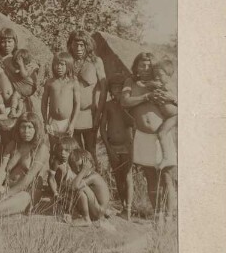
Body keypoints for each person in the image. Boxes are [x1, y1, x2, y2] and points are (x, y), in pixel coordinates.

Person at [121, 52, 177, 219]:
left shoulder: (159, 82)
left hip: (162, 137)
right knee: (150, 178)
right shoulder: (130, 82)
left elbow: (175, 101)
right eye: (141, 65)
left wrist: (170, 97)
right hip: (143, 136)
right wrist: (146, 96)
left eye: (148, 65)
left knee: (166, 177)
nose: (145, 69)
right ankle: (157, 214)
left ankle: (169, 215)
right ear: (136, 66)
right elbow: (124, 102)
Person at [67, 30, 107, 157]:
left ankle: (94, 175)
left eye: (82, 45)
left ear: (87, 46)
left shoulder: (96, 62)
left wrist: (98, 114)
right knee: (75, 152)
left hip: (90, 114)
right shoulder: (67, 61)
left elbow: (103, 89)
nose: (78, 48)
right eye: (76, 44)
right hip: (71, 115)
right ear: (70, 45)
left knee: (91, 151)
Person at [100, 74, 134, 219]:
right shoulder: (108, 105)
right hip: (113, 146)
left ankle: (129, 208)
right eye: (114, 88)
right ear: (110, 90)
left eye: (120, 88)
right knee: (118, 176)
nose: (117, 91)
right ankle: (123, 206)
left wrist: (124, 106)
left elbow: (133, 124)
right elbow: (102, 128)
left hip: (128, 146)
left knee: (127, 175)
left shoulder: (129, 106)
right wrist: (108, 147)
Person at [41, 52, 80, 149]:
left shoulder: (73, 82)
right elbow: (44, 103)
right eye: (56, 64)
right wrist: (45, 122)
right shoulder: (50, 82)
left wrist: (72, 124)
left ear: (69, 66)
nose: (59, 67)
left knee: (66, 150)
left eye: (62, 64)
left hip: (67, 122)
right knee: (53, 149)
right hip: (52, 121)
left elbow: (77, 104)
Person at [67, 148, 111, 227]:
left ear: (89, 165)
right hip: (96, 209)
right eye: (74, 167)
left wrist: (83, 171)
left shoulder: (93, 177)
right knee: (73, 189)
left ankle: (86, 219)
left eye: (81, 166)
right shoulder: (87, 175)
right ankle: (78, 214)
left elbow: (74, 187)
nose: (78, 170)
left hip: (99, 211)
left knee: (79, 188)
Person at [4, 48, 39, 117]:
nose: (16, 64)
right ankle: (19, 112)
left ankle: (13, 110)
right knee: (20, 99)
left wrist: (21, 65)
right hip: (26, 87)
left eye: (18, 61)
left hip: (28, 86)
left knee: (15, 95)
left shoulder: (30, 66)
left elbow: (24, 75)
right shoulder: (23, 66)